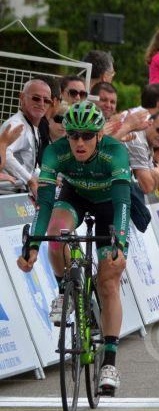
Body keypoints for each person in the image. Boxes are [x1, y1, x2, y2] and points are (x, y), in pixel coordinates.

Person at [17, 101, 130, 395]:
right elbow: (44, 204)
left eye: (87, 136)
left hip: (109, 207)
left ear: (99, 136)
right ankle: (63, 291)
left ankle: (110, 363)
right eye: (74, 135)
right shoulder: (55, 152)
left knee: (108, 281)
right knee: (56, 236)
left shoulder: (115, 152)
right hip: (75, 197)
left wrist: (120, 240)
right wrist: (32, 243)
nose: (80, 142)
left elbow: (122, 204)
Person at [1, 78, 52, 196]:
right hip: (6, 194)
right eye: (36, 98)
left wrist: (46, 177)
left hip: (16, 195)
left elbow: (28, 164)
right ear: (22, 98)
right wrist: (30, 180)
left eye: (47, 100)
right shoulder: (17, 125)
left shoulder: (32, 125)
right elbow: (5, 154)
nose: (41, 103)